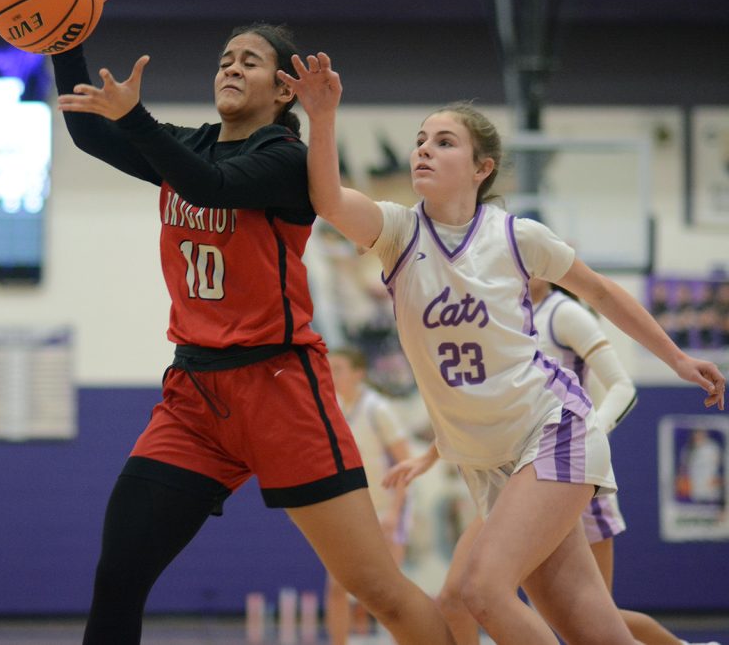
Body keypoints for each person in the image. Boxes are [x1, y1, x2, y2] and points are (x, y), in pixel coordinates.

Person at [282, 51, 725, 645]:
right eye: (420, 140)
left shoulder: (516, 237)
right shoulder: (397, 231)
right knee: (594, 631)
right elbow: (331, 202)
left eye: (444, 142)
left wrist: (677, 358)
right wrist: (322, 116)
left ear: (481, 168)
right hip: (484, 461)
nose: (424, 150)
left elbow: (600, 290)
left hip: (550, 429)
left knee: (480, 591)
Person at [51, 24, 456, 645]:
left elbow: (209, 186)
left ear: (283, 89)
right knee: (119, 575)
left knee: (376, 589)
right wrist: (63, 36)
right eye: (225, 59)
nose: (231, 68)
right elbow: (87, 130)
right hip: (195, 396)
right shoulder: (190, 144)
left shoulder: (287, 159)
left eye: (250, 61)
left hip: (279, 386)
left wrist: (135, 118)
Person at [391, 280, 716, 645]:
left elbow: (622, 386)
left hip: (565, 464)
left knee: (589, 620)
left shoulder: (564, 313)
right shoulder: (496, 312)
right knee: (458, 597)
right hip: (517, 471)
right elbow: (487, 404)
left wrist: (588, 433)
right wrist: (430, 454)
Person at [325, 347, 413, 645]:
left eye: (338, 368)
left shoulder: (378, 409)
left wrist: (395, 513)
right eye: (328, 368)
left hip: (386, 509)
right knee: (337, 587)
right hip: (350, 512)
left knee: (390, 592)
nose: (331, 374)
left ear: (358, 374)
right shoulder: (331, 408)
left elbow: (405, 464)